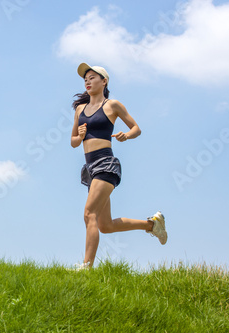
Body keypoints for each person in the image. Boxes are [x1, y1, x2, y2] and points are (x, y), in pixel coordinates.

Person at [70, 63, 167, 270]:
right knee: (105, 226)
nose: (87, 81)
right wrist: (79, 135)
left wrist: (126, 135)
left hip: (106, 163)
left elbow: (136, 128)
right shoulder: (80, 109)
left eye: (92, 77)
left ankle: (86, 266)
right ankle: (152, 225)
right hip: (90, 168)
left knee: (89, 214)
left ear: (104, 81)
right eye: (85, 79)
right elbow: (73, 142)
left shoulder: (112, 105)